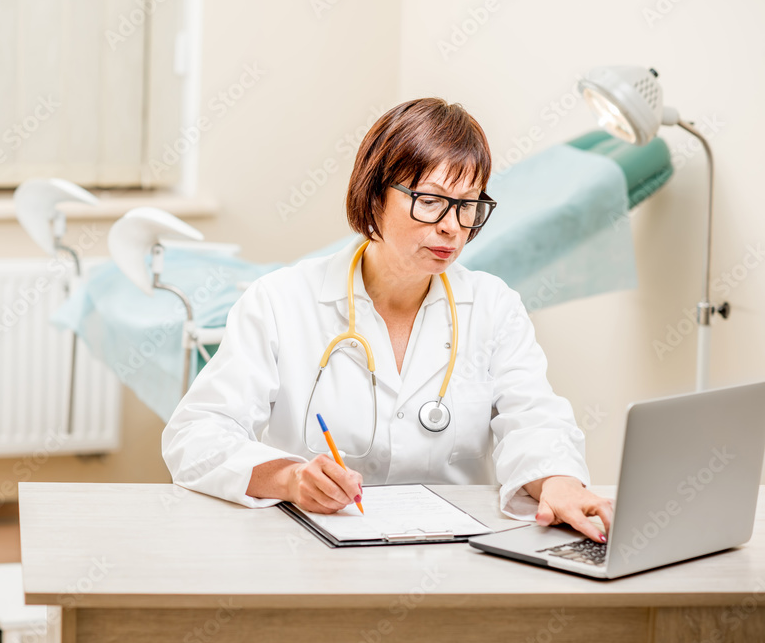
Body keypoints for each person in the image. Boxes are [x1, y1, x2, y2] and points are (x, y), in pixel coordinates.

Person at [162, 98, 613, 542]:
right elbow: (196, 436)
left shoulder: (494, 307)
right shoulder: (281, 301)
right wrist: (290, 478)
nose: (452, 227)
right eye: (431, 201)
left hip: (451, 556)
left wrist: (558, 482)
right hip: (313, 553)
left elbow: (533, 418)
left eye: (468, 205)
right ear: (375, 196)